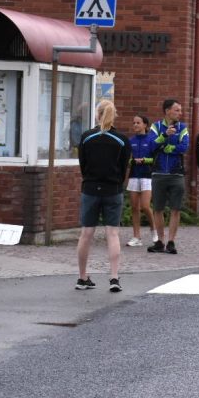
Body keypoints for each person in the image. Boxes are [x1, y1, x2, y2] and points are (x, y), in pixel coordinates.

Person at [75, 100, 131, 293]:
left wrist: (90, 179)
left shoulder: (86, 137)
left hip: (90, 187)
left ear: (97, 115)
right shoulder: (122, 140)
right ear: (113, 115)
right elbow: (124, 167)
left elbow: (82, 164)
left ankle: (82, 277)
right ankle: (114, 277)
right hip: (113, 189)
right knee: (112, 234)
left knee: (86, 234)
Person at [148, 99, 189, 255]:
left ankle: (171, 241)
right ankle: (160, 241)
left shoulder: (182, 127)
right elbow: (151, 145)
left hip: (176, 173)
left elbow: (184, 146)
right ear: (167, 111)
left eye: (180, 110)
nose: (180, 113)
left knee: (175, 209)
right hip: (158, 173)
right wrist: (164, 135)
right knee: (157, 209)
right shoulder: (156, 127)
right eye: (177, 110)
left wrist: (170, 148)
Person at [126, 114, 156, 248]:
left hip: (146, 175)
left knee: (145, 206)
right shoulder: (130, 141)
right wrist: (132, 161)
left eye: (138, 123)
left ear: (145, 125)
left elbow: (155, 159)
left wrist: (144, 160)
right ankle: (136, 236)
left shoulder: (151, 140)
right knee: (134, 207)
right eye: (134, 123)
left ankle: (154, 230)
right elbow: (126, 160)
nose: (135, 125)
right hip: (133, 175)